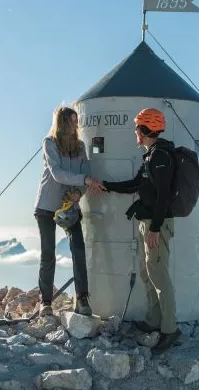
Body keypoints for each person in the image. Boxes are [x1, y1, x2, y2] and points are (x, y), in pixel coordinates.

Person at [103, 108, 181, 354]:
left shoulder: (160, 157)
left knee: (159, 276)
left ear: (146, 129)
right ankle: (154, 321)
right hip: (147, 222)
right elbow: (135, 185)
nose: (135, 132)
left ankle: (169, 330)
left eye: (137, 128)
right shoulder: (150, 156)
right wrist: (104, 185)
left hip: (155, 225)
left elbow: (164, 196)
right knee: (149, 274)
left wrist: (156, 228)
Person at [35, 106, 105, 317]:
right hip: (47, 206)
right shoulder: (49, 143)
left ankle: (82, 298)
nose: (74, 126)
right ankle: (45, 302)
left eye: (76, 122)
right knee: (48, 253)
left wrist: (79, 193)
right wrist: (84, 181)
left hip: (70, 205)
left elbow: (87, 172)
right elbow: (57, 173)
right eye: (70, 122)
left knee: (78, 250)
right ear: (61, 123)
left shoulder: (81, 146)